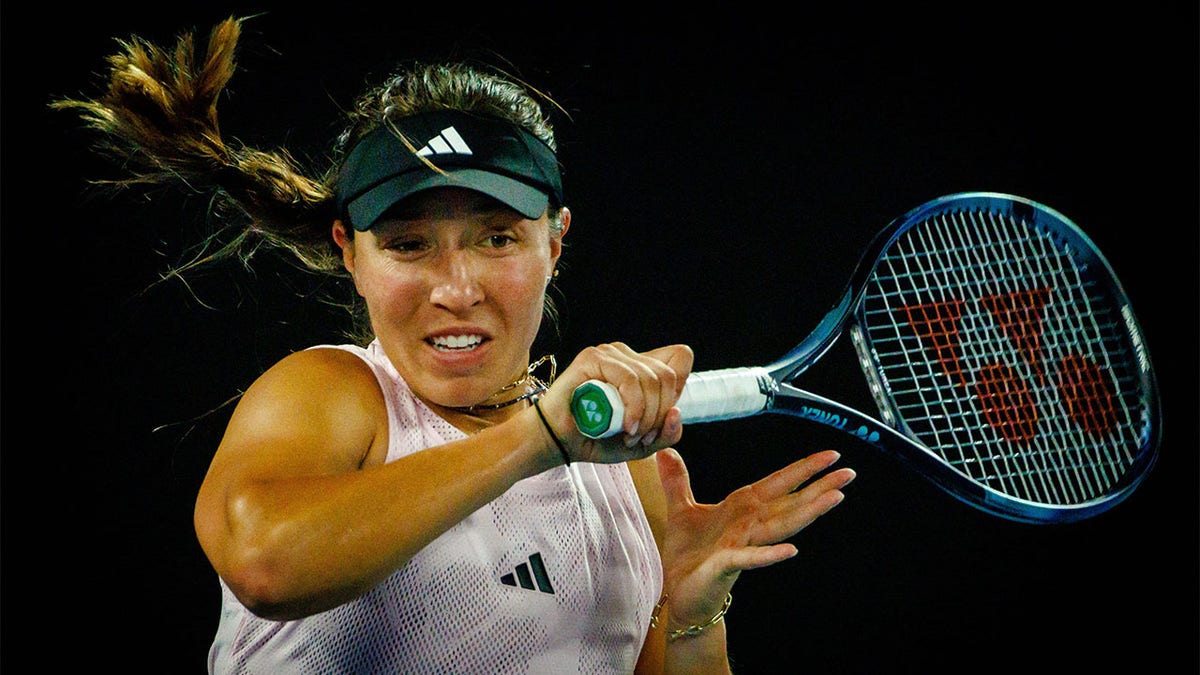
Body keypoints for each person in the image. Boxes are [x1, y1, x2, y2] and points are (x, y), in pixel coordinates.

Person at [55, 16, 856, 674]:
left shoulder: (624, 462)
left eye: (498, 238)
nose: (456, 286)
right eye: (408, 244)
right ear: (349, 251)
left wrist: (688, 610)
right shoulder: (332, 394)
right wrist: (541, 437)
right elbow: (264, 561)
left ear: (556, 242)